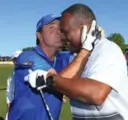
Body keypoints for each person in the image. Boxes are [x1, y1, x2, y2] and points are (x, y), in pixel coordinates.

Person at [27, 3, 128, 120]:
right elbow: (63, 82)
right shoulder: (73, 56)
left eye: (64, 32)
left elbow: (96, 94)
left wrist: (49, 80)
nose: (62, 37)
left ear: (84, 28)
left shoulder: (107, 49)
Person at [8, 14, 69, 120]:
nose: (58, 31)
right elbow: (53, 76)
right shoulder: (26, 56)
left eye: (60, 28)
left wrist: (96, 43)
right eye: (52, 27)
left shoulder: (63, 57)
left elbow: (84, 58)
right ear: (39, 35)